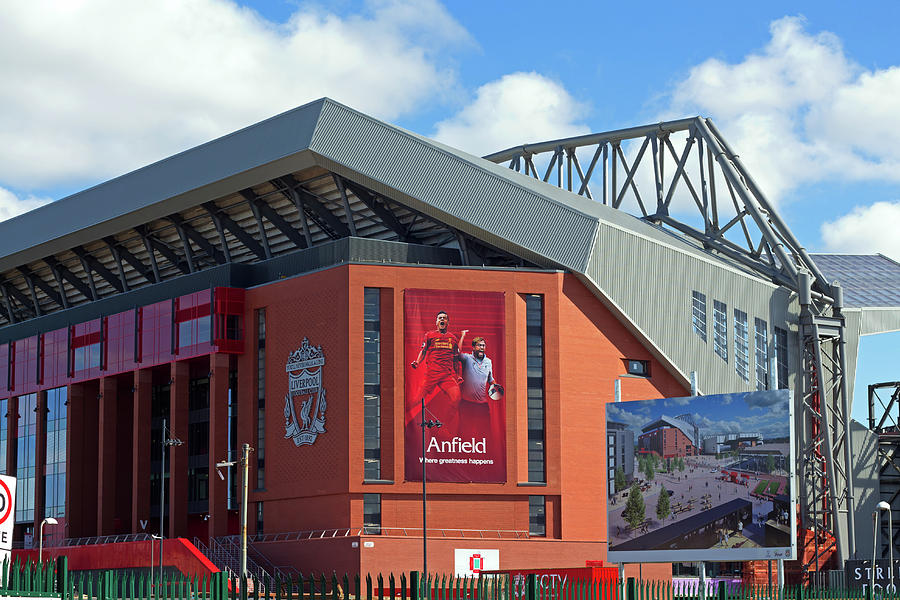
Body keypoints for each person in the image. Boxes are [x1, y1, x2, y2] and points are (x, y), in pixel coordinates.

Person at [409, 311, 466, 428]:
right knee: (417, 400)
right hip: (432, 374)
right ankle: (402, 413)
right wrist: (417, 362)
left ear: (447, 322)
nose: (442, 320)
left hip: (447, 375)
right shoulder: (429, 335)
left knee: (457, 398)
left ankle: (443, 425)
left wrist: (458, 375)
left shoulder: (453, 339)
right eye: (440, 318)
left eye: (444, 318)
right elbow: (423, 350)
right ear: (436, 322)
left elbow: (456, 358)